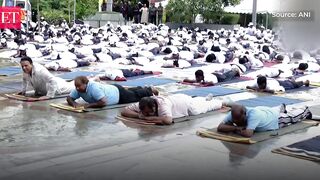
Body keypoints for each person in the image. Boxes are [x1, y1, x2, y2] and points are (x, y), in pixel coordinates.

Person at [121, 94, 231, 125]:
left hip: (187, 106)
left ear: (154, 107)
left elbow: (168, 120)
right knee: (200, 100)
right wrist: (138, 116)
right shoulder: (144, 103)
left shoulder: (163, 105)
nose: (146, 114)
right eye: (143, 112)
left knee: (207, 107)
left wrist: (151, 118)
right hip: (178, 99)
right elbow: (124, 111)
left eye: (148, 112)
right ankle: (205, 98)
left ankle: (222, 101)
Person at [217, 104, 312, 137]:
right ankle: (281, 107)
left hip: (275, 119)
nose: (236, 121)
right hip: (263, 111)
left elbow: (248, 134)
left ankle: (305, 109)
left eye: (239, 120)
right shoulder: (234, 113)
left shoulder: (254, 115)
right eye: (234, 120)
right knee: (271, 111)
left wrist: (232, 128)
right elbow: (220, 127)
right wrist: (237, 128)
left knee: (293, 118)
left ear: (245, 114)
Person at [66, 76, 158, 108]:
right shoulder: (78, 89)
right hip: (113, 89)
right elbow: (69, 98)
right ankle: (140, 87)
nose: (77, 88)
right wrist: (74, 103)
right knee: (131, 92)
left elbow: (103, 102)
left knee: (135, 96)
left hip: (119, 95)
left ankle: (149, 90)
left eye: (79, 86)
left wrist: (88, 105)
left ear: (85, 84)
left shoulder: (93, 88)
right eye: (76, 87)